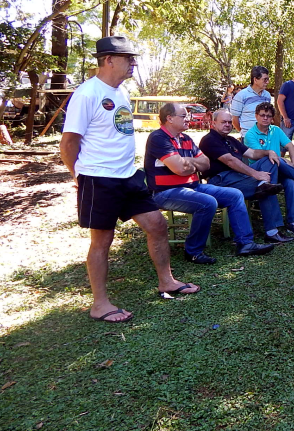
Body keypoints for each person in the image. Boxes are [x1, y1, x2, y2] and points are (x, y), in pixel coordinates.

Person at [59, 36, 199, 323]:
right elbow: (69, 142)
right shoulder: (87, 94)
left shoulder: (120, 91)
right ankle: (100, 304)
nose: (133, 63)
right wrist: (79, 175)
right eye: (128, 58)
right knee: (102, 240)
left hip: (128, 176)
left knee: (157, 225)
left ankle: (167, 281)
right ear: (109, 60)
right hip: (99, 179)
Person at [144, 103, 274, 262]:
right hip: (165, 192)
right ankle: (193, 251)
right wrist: (188, 164)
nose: (188, 119)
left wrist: (186, 161)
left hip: (193, 186)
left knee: (235, 195)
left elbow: (205, 164)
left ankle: (245, 243)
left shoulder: (186, 138)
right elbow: (179, 168)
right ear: (169, 118)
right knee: (208, 202)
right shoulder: (158, 138)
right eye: (184, 116)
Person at [199, 110, 294, 244]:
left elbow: (252, 153)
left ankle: (272, 227)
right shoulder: (209, 140)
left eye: (229, 122)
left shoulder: (230, 140)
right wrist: (255, 174)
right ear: (213, 123)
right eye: (223, 122)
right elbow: (230, 161)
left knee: (269, 161)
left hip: (237, 177)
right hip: (220, 181)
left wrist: (268, 151)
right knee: (265, 188)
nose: (227, 125)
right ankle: (272, 232)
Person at [244, 102, 294, 234]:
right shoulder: (250, 134)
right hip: (260, 173)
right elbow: (261, 156)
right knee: (272, 158)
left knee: (291, 183)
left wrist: (293, 163)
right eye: (262, 115)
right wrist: (281, 159)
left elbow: (290, 146)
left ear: (272, 118)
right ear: (256, 116)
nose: (265, 118)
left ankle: (293, 222)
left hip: (279, 169)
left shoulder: (276, 130)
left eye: (269, 116)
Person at [231, 66, 271, 138]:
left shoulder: (267, 95)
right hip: (248, 138)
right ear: (255, 80)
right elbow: (234, 119)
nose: (267, 82)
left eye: (268, 79)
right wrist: (245, 133)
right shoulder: (241, 96)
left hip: (265, 137)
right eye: (265, 80)